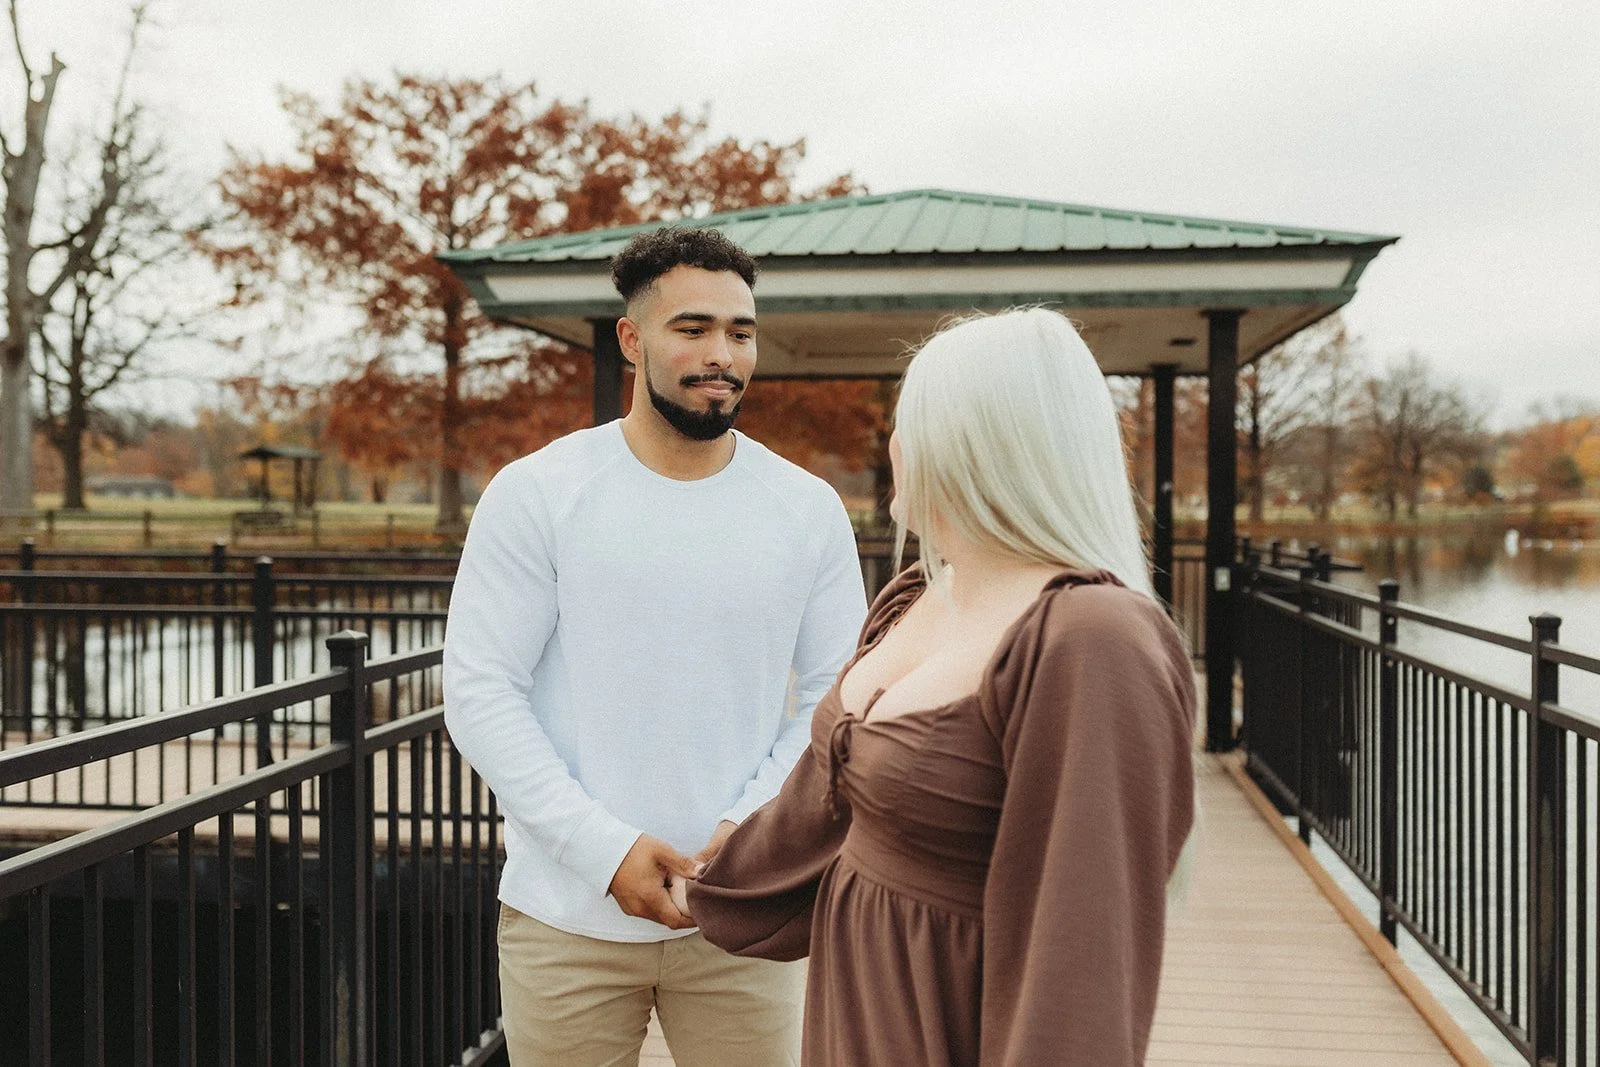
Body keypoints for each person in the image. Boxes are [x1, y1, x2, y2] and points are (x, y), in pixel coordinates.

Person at [682, 307, 1198, 1066]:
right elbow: (828, 811)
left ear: (981, 443)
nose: (895, 445)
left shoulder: (1091, 638)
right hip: (856, 1017)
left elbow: (1082, 964)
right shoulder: (917, 596)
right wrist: (706, 889)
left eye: (912, 421)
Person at [443, 225, 868, 1066]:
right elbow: (481, 691)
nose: (723, 353)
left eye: (741, 332)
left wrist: (743, 829)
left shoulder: (807, 508)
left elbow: (837, 697)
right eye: (694, 328)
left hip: (747, 910)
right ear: (633, 341)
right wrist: (607, 851)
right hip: (567, 916)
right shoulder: (539, 493)